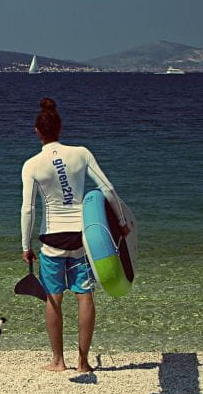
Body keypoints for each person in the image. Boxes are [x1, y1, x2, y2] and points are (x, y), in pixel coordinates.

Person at [20, 98, 128, 373]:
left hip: (52, 240)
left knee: (53, 299)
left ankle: (58, 361)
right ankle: (83, 362)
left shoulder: (32, 164)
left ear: (37, 131)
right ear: (60, 127)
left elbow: (28, 209)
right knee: (84, 296)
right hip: (83, 239)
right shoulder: (81, 153)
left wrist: (25, 245)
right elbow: (107, 187)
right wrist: (122, 222)